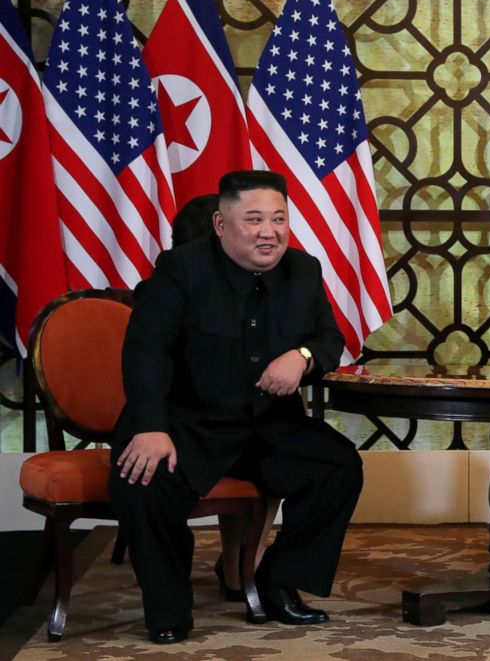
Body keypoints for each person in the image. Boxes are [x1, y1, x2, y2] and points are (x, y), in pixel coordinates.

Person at [109, 170, 364, 644]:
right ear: (221, 224)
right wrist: (149, 426)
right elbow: (145, 350)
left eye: (279, 219)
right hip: (189, 422)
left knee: (339, 467)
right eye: (254, 219)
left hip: (268, 425)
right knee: (143, 480)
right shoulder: (181, 269)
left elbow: (329, 339)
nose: (269, 232)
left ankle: (278, 582)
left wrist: (302, 357)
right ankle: (168, 608)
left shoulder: (303, 270)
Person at [169, 193, 281, 604]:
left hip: (238, 421)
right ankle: (236, 562)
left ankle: (242, 559)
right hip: (182, 428)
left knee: (273, 439)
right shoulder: (164, 296)